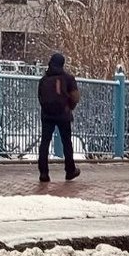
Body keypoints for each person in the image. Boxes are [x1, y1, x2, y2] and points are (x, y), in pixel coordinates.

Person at [37, 52, 80, 183]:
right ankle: (70, 170)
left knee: (45, 143)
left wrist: (46, 109)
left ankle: (43, 173)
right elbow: (75, 97)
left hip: (47, 115)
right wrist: (68, 107)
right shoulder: (68, 78)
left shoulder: (43, 80)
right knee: (67, 142)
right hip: (63, 115)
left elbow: (40, 97)